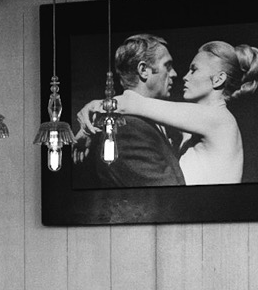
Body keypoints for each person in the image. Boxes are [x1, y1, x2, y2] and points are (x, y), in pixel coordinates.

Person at [78, 40, 258, 185]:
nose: (184, 76)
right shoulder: (204, 122)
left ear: (218, 79)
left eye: (194, 70)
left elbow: (135, 104)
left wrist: (92, 111)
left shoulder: (217, 118)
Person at [72, 34, 185, 187]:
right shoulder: (127, 130)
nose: (174, 74)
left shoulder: (146, 122)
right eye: (168, 66)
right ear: (143, 70)